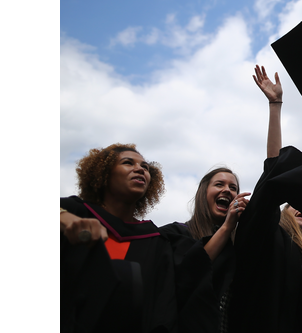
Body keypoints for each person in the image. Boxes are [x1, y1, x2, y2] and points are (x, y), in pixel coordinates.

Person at [226, 66, 302, 333]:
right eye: (291, 204)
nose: (300, 208)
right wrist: (275, 106)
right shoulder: (270, 236)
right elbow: (273, 178)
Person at [60, 143, 177, 333]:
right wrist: (63, 217)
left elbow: (162, 311)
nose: (140, 169)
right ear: (104, 174)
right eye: (128, 163)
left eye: (145, 167)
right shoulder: (74, 211)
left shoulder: (156, 240)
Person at [160, 167, 250, 333]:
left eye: (233, 188)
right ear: (203, 193)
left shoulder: (238, 248)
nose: (226, 190)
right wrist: (227, 227)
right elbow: (189, 273)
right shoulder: (174, 234)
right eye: (219, 184)